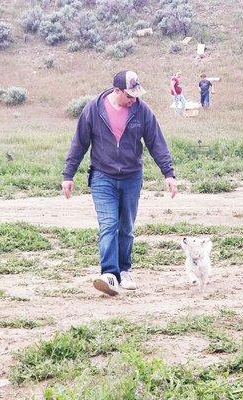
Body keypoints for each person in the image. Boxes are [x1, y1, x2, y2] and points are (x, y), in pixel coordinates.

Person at [62, 70, 178, 297]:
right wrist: (68, 175)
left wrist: (168, 174)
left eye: (136, 95)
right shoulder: (93, 110)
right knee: (108, 224)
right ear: (117, 91)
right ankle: (109, 274)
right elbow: (79, 143)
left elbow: (156, 143)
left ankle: (124, 270)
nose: (134, 99)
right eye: (129, 95)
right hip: (102, 176)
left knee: (126, 228)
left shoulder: (141, 110)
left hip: (131, 176)